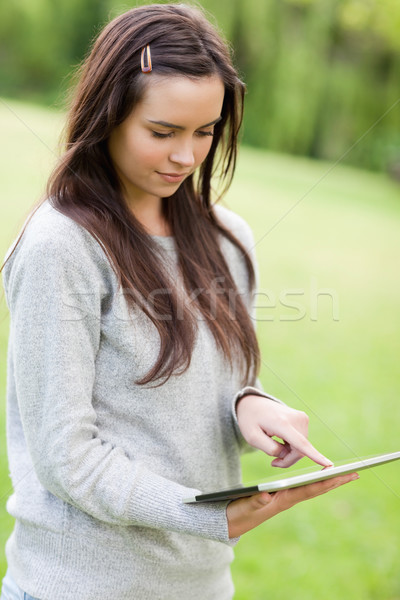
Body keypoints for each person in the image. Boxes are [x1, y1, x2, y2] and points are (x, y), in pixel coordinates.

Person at [0, 4, 358, 599]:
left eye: (205, 131)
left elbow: (220, 383)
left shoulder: (230, 239)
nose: (185, 157)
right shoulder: (62, 246)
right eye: (162, 133)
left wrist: (252, 407)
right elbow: (68, 457)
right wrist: (205, 515)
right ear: (107, 115)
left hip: (202, 587)